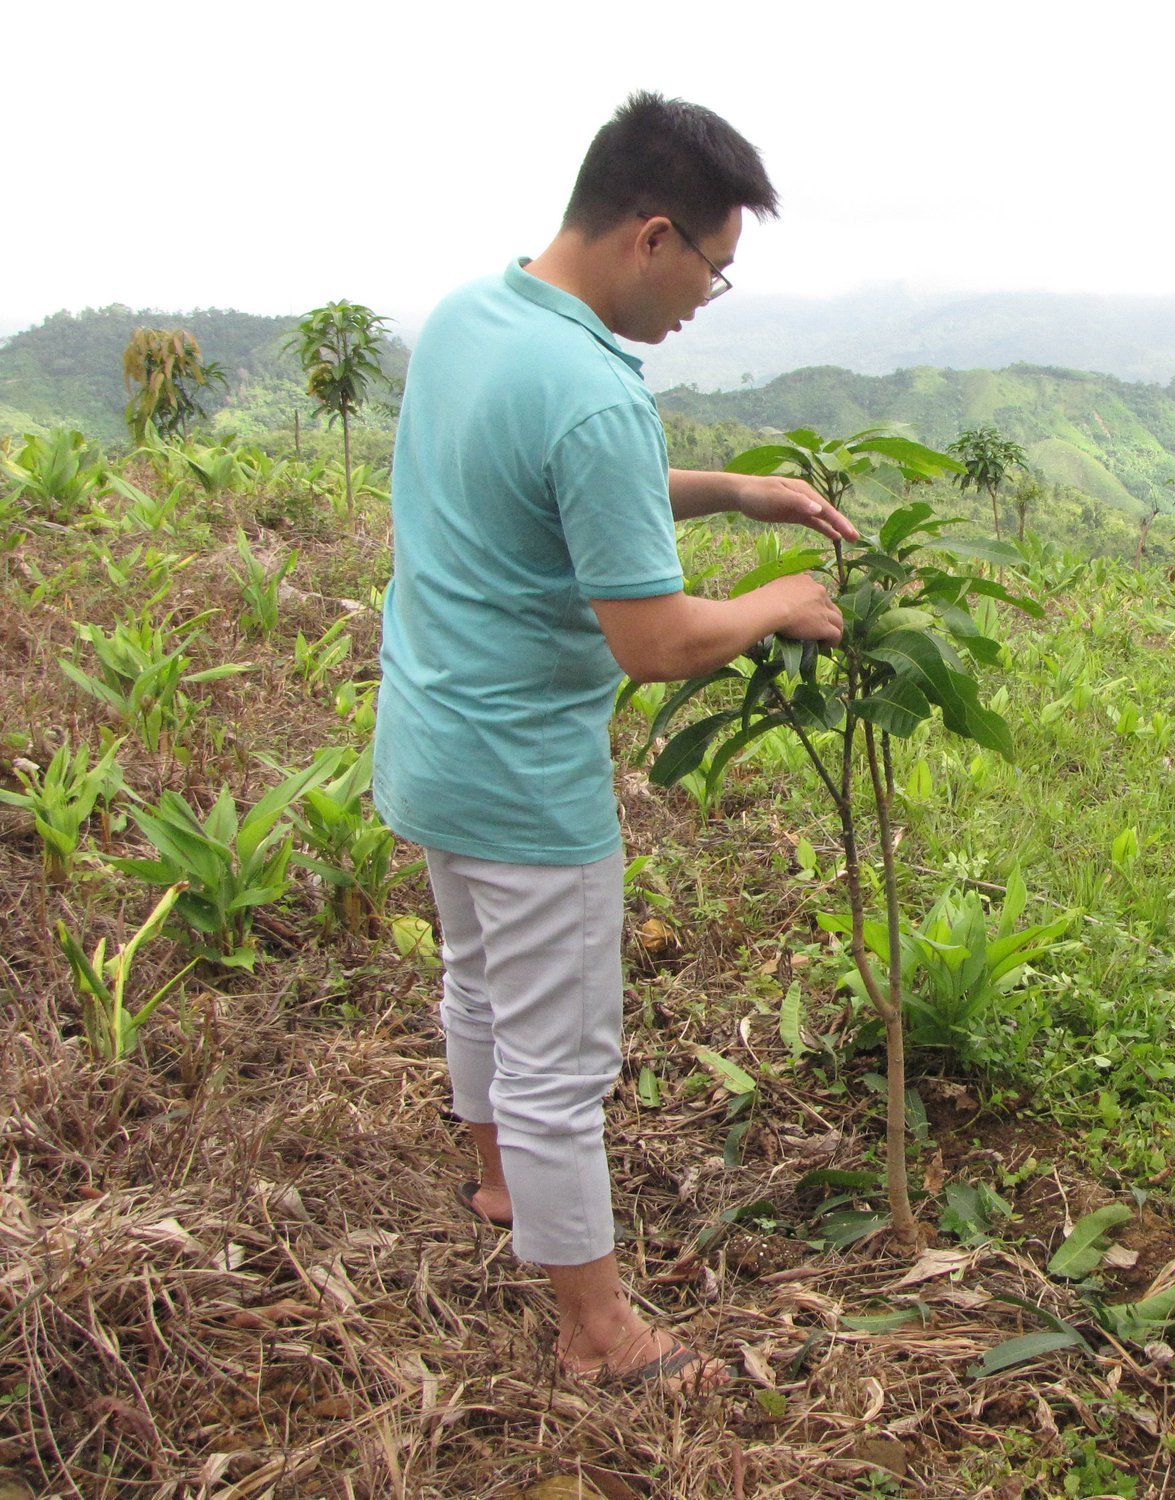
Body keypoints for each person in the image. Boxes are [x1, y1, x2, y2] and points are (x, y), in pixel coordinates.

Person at [373, 93, 855, 1392]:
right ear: (654, 236)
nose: (711, 296)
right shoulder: (593, 395)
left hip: (429, 741)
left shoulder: (477, 315)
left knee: (475, 981)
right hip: (527, 784)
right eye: (715, 267)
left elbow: (549, 473)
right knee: (561, 1061)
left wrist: (735, 488)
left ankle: (495, 1187)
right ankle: (598, 1334)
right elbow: (653, 638)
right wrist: (776, 601)